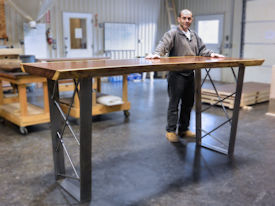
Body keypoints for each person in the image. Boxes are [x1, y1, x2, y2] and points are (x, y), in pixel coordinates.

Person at [146, 9, 224, 143]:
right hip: (176, 75)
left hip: (190, 74)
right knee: (174, 104)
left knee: (188, 103)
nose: (186, 21)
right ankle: (170, 131)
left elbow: (202, 49)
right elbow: (163, 44)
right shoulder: (173, 33)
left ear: (191, 20)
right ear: (179, 19)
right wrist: (157, 53)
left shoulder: (194, 36)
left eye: (189, 18)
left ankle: (183, 129)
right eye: (184, 18)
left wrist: (211, 54)